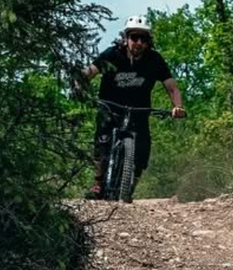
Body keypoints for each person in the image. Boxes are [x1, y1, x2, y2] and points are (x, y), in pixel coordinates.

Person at [78, 13, 186, 200]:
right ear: (126, 38)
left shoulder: (155, 60)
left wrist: (177, 106)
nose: (138, 42)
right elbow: (90, 72)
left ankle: (130, 186)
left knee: (143, 147)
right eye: (134, 37)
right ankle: (98, 183)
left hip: (139, 110)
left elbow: (171, 87)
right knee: (102, 140)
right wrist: (79, 85)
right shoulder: (112, 54)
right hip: (110, 106)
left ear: (148, 41)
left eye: (143, 38)